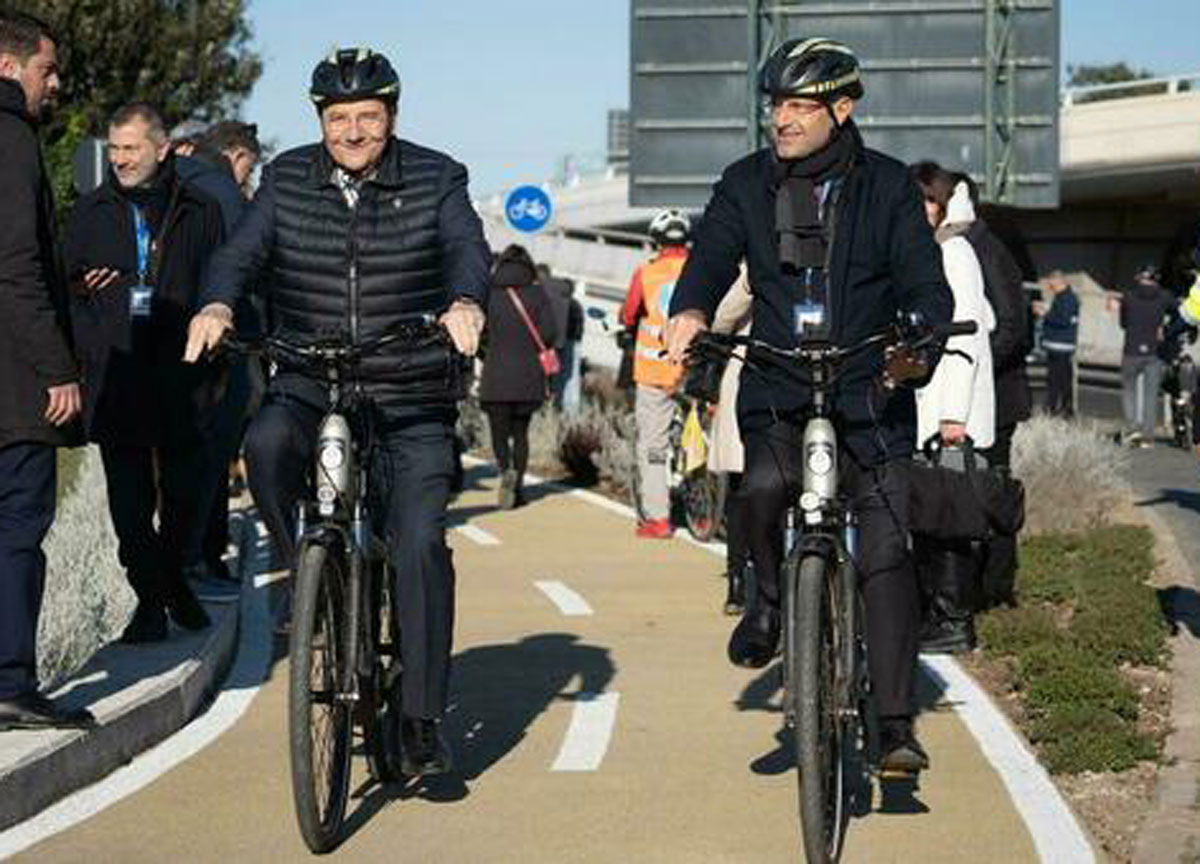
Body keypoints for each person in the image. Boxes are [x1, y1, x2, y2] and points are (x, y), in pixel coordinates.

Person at [183, 47, 490, 775]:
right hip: (310, 378)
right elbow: (239, 254)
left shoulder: (437, 176)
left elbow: (466, 250)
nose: (352, 132)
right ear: (319, 119)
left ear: (392, 115)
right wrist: (218, 301)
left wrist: (467, 302)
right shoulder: (288, 180)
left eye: (368, 117)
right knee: (263, 446)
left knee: (418, 544)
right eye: (338, 118)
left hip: (407, 388)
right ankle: (307, 570)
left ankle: (419, 716)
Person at [664, 36, 953, 772]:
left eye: (798, 106)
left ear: (842, 108)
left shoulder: (887, 186)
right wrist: (690, 311)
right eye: (775, 106)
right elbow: (709, 259)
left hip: (869, 388)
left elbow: (925, 281)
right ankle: (767, 600)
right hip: (779, 381)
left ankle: (893, 725)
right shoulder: (745, 182)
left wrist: (918, 337)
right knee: (760, 489)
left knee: (885, 552)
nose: (782, 121)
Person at [64, 103, 224, 643]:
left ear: (161, 148)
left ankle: (172, 578)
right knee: (130, 509)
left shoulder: (199, 210)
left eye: (131, 148)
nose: (121, 160)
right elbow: (67, 291)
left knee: (185, 494)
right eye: (114, 149)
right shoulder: (90, 211)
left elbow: (221, 281)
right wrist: (91, 342)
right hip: (117, 376)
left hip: (183, 373)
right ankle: (153, 601)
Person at [0, 9, 92, 731]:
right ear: (9, 66)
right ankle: (10, 681)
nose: (54, 84)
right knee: (17, 530)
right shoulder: (13, 140)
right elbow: (15, 269)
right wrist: (58, 367)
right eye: (46, 70)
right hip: (12, 381)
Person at [910, 165, 996, 654]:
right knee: (934, 515)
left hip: (951, 412)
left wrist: (954, 414)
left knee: (950, 521)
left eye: (926, 200)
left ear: (942, 205)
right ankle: (936, 615)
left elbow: (967, 333)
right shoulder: (929, 252)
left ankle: (953, 620)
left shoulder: (955, 252)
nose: (919, 209)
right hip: (934, 407)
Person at [621, 208, 691, 539]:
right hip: (697, 367)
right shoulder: (701, 269)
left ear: (655, 241)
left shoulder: (646, 273)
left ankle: (658, 518)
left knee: (653, 444)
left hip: (655, 369)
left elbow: (628, 314)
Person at [480, 244, 557, 509]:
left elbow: (481, 333)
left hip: (495, 376)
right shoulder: (537, 294)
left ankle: (505, 472)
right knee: (520, 433)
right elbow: (549, 335)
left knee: (499, 433)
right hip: (528, 377)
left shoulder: (489, 294)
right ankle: (519, 485)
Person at [707, 268, 753, 615]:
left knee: (740, 490)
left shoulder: (761, 257)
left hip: (752, 367)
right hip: (814, 370)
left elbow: (724, 316)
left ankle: (737, 583)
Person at [1114, 264, 1174, 446]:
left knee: (1129, 391)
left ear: (1139, 277)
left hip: (1131, 349)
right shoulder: (1165, 296)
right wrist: (1166, 329)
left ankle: (1133, 429)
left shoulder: (1128, 296)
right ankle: (1148, 437)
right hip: (1155, 351)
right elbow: (1180, 313)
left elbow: (1123, 323)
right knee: (1151, 395)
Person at [1038, 271, 1079, 418]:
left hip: (1060, 345)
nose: (1050, 287)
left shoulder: (1067, 299)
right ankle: (1058, 408)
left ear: (1059, 282)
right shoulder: (1062, 297)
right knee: (1059, 380)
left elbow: (1063, 321)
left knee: (1058, 380)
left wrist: (1045, 314)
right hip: (1058, 345)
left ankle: (1058, 409)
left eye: (1051, 284)